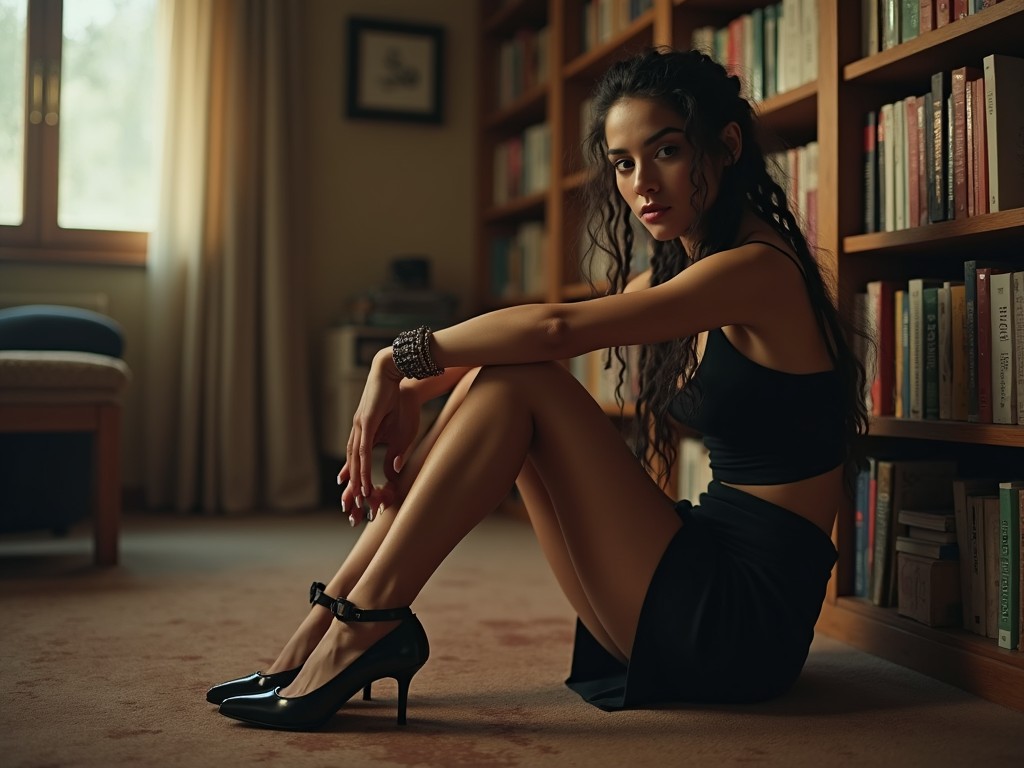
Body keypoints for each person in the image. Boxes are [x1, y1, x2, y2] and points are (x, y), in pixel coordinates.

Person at [208, 47, 867, 730]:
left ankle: (361, 627)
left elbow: (554, 329)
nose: (643, 183)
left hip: (740, 624)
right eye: (622, 162)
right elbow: (521, 342)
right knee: (501, 378)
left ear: (726, 145)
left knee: (526, 383)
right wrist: (417, 393)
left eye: (665, 150)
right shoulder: (689, 268)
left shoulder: (756, 271)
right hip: (690, 575)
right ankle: (329, 623)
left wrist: (393, 365)